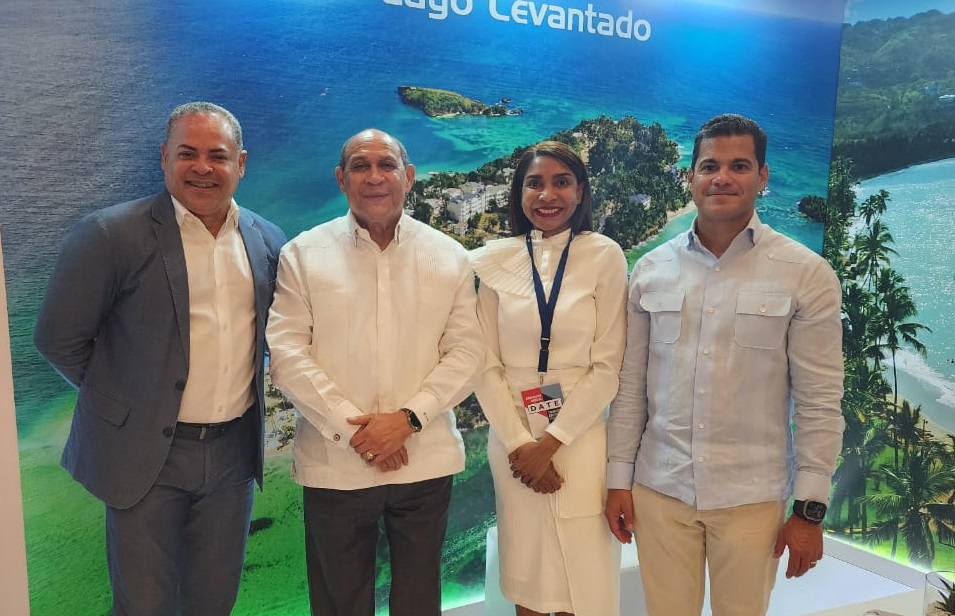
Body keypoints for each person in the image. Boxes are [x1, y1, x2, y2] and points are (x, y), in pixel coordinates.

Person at [33, 101, 286, 615]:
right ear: (163, 158)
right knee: (144, 606)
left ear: (241, 163)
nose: (202, 167)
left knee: (214, 602)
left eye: (218, 155)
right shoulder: (109, 235)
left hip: (233, 457)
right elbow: (58, 338)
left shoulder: (267, 240)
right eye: (187, 153)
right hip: (148, 457)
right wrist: (129, 406)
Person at [604, 113, 845, 616]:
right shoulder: (650, 269)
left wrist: (809, 510)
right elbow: (631, 388)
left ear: (762, 176)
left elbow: (820, 401)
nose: (722, 178)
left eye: (739, 166)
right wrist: (618, 479)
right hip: (660, 489)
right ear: (690, 176)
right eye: (709, 166)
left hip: (751, 497)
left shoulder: (805, 273)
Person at [265, 128, 483, 616]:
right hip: (334, 465)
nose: (374, 176)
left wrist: (407, 420)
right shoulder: (303, 254)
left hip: (424, 461)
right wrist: (359, 433)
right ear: (341, 179)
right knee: (339, 602)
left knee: (419, 600)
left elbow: (467, 352)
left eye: (387, 165)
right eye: (360, 166)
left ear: (409, 176)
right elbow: (287, 353)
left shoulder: (449, 254)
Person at [471, 141, 628, 616]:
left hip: (581, 438)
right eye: (534, 183)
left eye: (561, 182)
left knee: (584, 581)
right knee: (529, 578)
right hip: (512, 440)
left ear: (580, 191)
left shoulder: (604, 255)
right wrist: (522, 445)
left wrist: (550, 443)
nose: (547, 194)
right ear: (519, 193)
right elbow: (483, 364)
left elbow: (608, 368)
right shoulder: (495, 261)